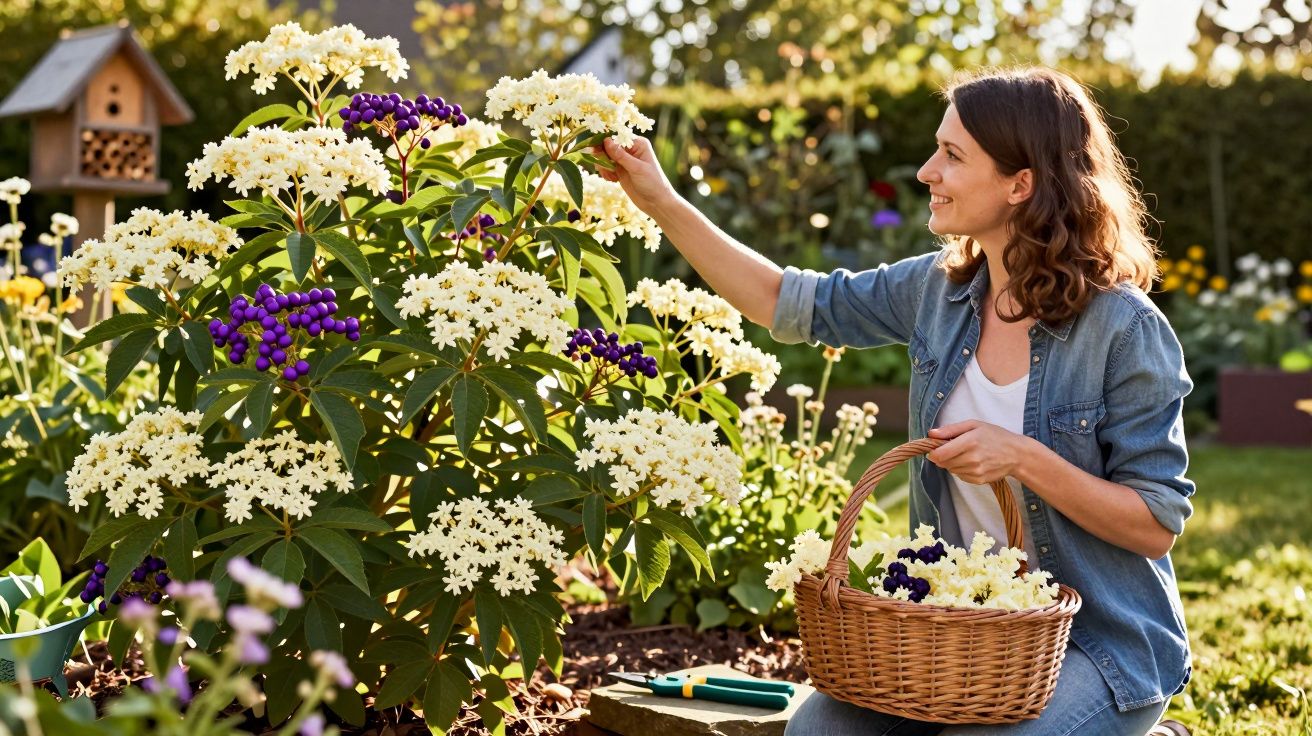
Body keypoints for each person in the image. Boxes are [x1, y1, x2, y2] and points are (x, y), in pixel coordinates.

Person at [593, 66, 1194, 735]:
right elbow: (783, 302)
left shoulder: (1123, 328)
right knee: (817, 730)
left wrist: (1022, 458)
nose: (925, 171)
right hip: (955, 635)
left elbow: (1155, 523)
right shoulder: (936, 293)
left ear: (1020, 184)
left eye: (953, 156)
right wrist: (659, 200)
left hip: (1098, 645)